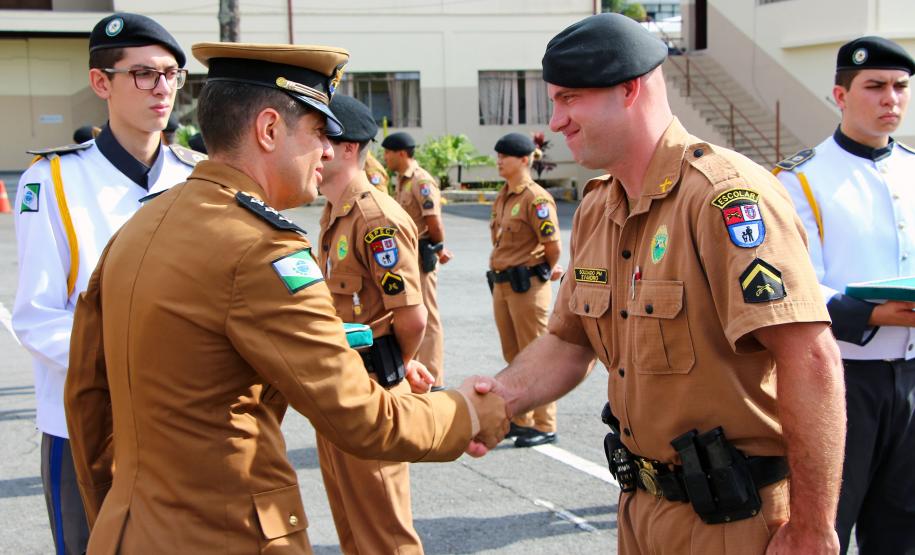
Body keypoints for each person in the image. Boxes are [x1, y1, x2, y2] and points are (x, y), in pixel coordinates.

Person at [63, 41, 507, 553]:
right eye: (318, 132)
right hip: (227, 536)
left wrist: (112, 517)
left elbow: (88, 401)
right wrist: (469, 414)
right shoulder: (260, 248)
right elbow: (363, 420)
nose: (326, 151)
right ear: (269, 129)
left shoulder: (143, 223)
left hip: (129, 531)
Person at [471, 13, 847, 554]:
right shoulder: (601, 205)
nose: (556, 122)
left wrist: (813, 526)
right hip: (640, 510)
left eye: (570, 98)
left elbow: (810, 359)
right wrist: (498, 399)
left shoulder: (725, 198)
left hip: (733, 522)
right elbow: (567, 343)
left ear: (629, 89)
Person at [12, 12, 197, 555]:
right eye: (143, 74)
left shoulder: (199, 177)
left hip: (182, 422)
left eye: (171, 74)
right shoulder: (51, 182)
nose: (162, 88)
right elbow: (38, 317)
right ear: (101, 83)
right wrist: (137, 360)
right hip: (86, 427)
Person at [774, 36, 915, 555]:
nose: (891, 99)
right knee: (825, 528)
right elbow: (796, 283)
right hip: (841, 379)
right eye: (875, 86)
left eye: (901, 87)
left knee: (903, 532)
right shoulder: (800, 178)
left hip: (912, 379)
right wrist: (876, 312)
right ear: (840, 94)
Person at [315, 94, 433, 554]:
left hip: (371, 390)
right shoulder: (333, 213)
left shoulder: (374, 217)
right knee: (351, 523)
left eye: (321, 138)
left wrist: (399, 365)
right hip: (338, 386)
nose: (311, 149)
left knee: (383, 532)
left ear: (348, 148)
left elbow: (411, 314)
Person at [487, 132, 564, 448]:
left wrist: (542, 271)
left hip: (528, 286)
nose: (499, 160)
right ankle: (522, 419)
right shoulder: (505, 195)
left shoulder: (536, 198)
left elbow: (553, 245)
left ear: (523, 160)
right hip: (503, 285)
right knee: (514, 355)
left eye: (505, 156)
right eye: (498, 155)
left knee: (536, 356)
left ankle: (545, 424)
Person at [383, 131, 452, 388]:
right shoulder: (402, 181)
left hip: (421, 253)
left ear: (402, 153)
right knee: (411, 313)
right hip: (406, 254)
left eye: (389, 153)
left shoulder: (421, 181)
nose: (385, 157)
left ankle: (434, 379)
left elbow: (433, 220)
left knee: (428, 317)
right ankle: (418, 373)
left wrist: (437, 248)